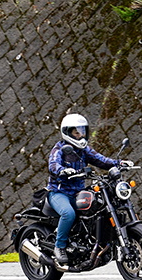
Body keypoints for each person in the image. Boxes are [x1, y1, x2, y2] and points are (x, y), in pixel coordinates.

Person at [47, 113, 130, 264]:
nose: (80, 135)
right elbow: (53, 164)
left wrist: (119, 163)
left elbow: (102, 160)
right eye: (76, 132)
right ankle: (59, 246)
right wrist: (61, 170)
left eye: (83, 131)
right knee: (68, 214)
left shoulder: (84, 150)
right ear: (67, 132)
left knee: (97, 207)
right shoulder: (59, 149)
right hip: (59, 193)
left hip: (78, 192)